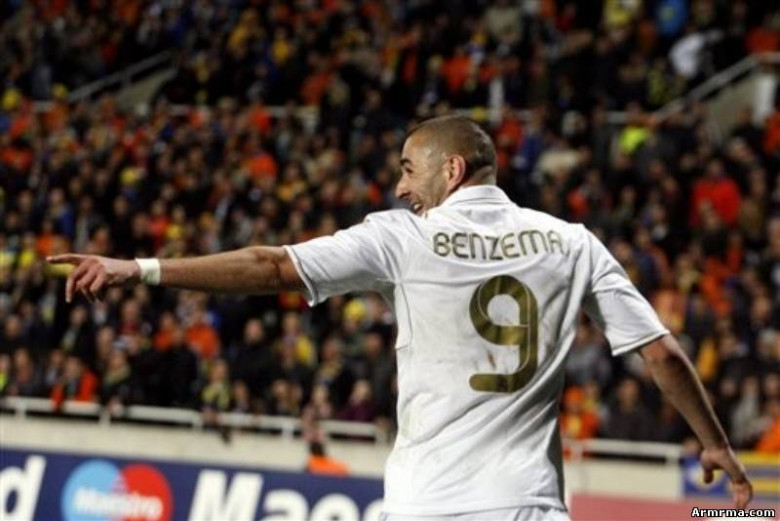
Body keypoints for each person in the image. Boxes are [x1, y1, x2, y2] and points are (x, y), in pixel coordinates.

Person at [48, 115, 752, 520]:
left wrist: (141, 268)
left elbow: (271, 266)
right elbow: (660, 352)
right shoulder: (572, 241)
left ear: (451, 171)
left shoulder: (402, 237)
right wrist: (714, 443)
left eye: (409, 169)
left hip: (429, 503)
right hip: (528, 504)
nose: (399, 185)